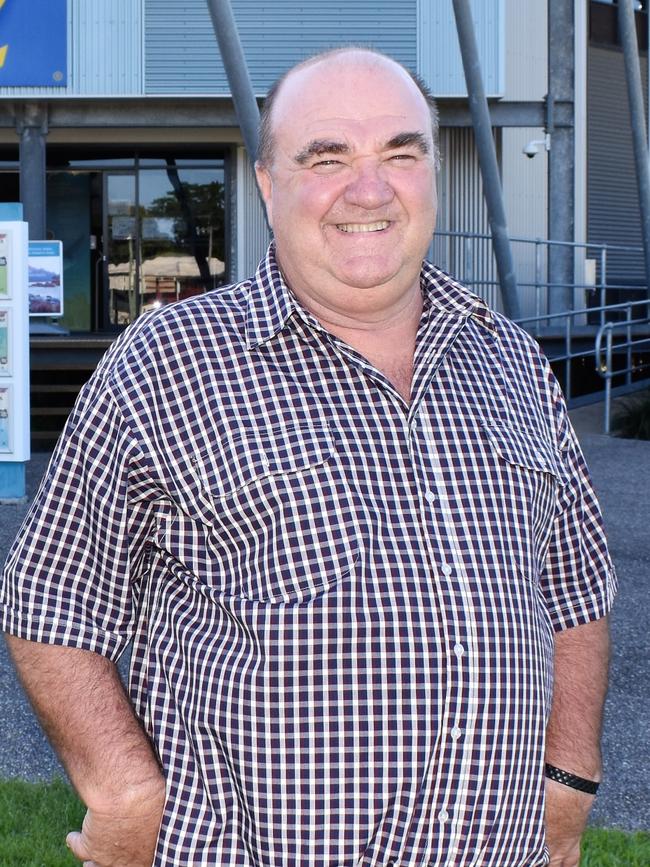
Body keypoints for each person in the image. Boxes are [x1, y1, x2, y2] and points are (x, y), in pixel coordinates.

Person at [1, 48, 616, 867]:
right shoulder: (171, 363)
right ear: (266, 181)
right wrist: (122, 790)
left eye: (401, 152)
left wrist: (569, 780)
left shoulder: (510, 361)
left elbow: (574, 588)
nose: (370, 189)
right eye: (328, 158)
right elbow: (51, 601)